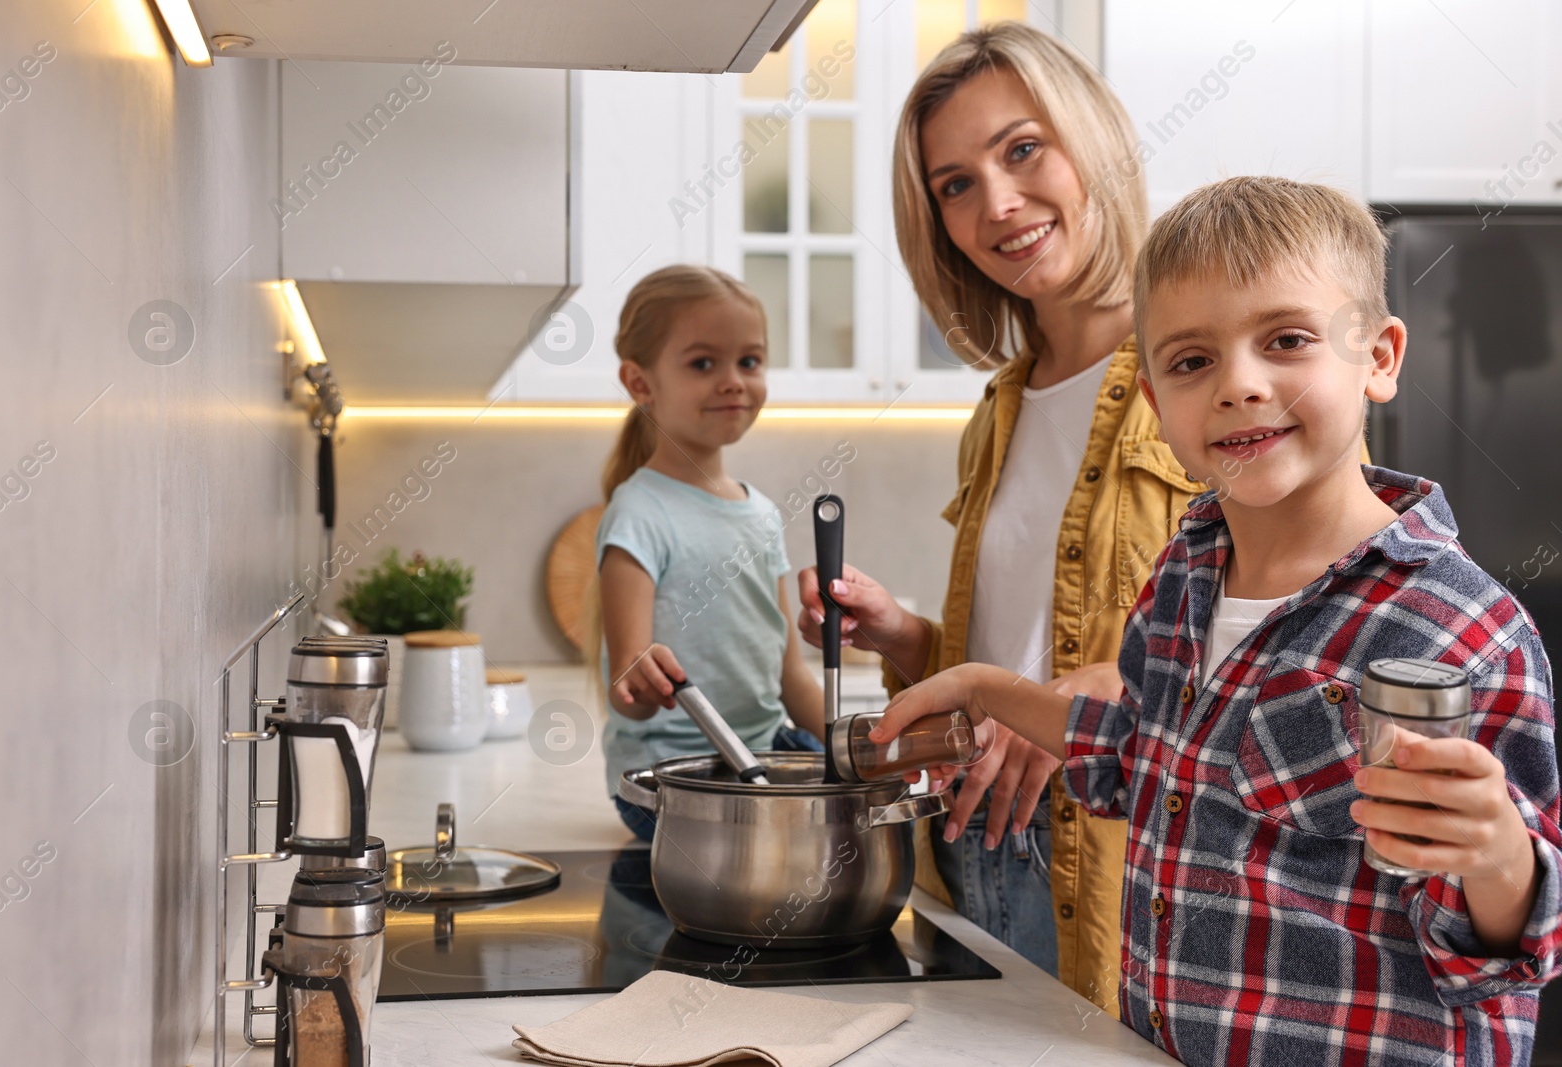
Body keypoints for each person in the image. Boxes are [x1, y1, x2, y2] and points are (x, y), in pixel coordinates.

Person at [870, 176, 1562, 1066]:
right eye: (1193, 361)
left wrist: (1499, 855)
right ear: (1158, 406)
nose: (1239, 384)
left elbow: (1511, 951)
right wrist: (983, 689)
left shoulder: (1457, 630)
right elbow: (1135, 754)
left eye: (1287, 341)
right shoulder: (1185, 574)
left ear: (1381, 358)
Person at [797, 23, 1198, 1010]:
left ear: (1090, 138)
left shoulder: (1211, 366)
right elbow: (1004, 660)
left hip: (1124, 879)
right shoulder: (1000, 408)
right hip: (975, 856)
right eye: (955, 184)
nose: (997, 204)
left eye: (1022, 149)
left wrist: (1094, 687)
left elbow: (1316, 640)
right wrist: (903, 636)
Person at [593, 265, 824, 842]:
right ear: (640, 383)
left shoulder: (764, 513)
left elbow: (790, 676)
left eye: (749, 361)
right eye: (703, 364)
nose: (733, 381)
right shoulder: (639, 512)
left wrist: (863, 753)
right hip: (669, 782)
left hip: (767, 754)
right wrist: (642, 682)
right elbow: (629, 691)